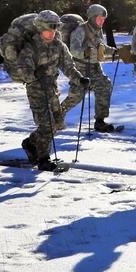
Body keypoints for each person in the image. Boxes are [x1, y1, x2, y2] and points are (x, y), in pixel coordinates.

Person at [14, 10, 89, 171]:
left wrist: (80, 79)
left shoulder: (59, 46)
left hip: (52, 89)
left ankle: (30, 143)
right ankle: (43, 159)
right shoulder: (30, 47)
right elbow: (22, 70)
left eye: (55, 28)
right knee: (47, 125)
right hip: (36, 91)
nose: (52, 32)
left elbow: (68, 67)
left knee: (58, 122)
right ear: (40, 28)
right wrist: (35, 73)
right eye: (49, 28)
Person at [60, 4, 117, 132]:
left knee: (105, 86)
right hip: (81, 69)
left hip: (95, 67)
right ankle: (56, 116)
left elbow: (101, 48)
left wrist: (114, 52)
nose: (102, 21)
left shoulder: (98, 31)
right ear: (92, 18)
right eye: (99, 19)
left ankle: (100, 121)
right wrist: (85, 52)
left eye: (103, 19)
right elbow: (73, 50)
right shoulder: (79, 31)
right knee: (77, 96)